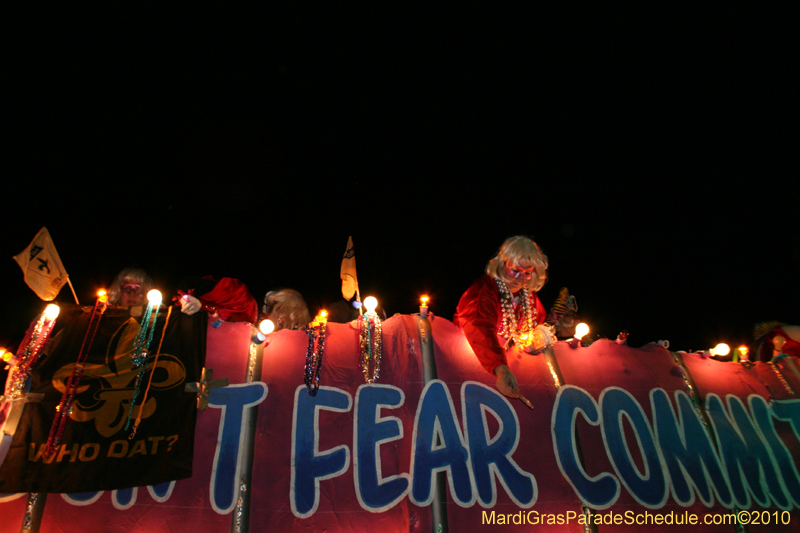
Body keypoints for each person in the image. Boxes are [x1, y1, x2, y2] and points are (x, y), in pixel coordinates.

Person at [454, 236, 554, 399]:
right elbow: (479, 326)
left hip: (512, 375)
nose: (520, 278)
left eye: (527, 273)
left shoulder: (528, 297)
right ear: (502, 265)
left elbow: (538, 324)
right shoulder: (485, 289)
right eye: (515, 270)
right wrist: (500, 368)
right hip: (473, 371)